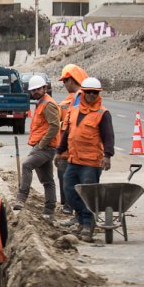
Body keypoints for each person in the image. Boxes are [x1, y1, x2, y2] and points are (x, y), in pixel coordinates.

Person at [56, 77, 114, 243]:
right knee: (70, 192)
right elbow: (67, 133)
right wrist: (59, 151)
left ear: (98, 94)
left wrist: (107, 156)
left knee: (88, 195)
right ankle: (83, 220)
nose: (91, 95)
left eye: (94, 93)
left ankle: (87, 226)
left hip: (91, 163)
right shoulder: (74, 111)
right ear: (82, 92)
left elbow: (108, 136)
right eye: (88, 92)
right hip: (74, 160)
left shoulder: (102, 114)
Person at [14, 75, 61, 219]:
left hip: (45, 147)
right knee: (47, 180)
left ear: (45, 88)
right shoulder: (41, 103)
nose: (35, 92)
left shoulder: (48, 104)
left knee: (27, 165)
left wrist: (42, 144)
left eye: (38, 89)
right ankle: (49, 210)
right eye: (33, 90)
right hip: (43, 146)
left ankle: (21, 198)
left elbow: (55, 126)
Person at [55, 64, 87, 215]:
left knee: (70, 182)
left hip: (76, 153)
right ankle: (76, 213)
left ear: (72, 80)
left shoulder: (76, 101)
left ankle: (73, 210)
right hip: (73, 151)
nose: (64, 84)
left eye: (65, 81)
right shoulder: (74, 101)